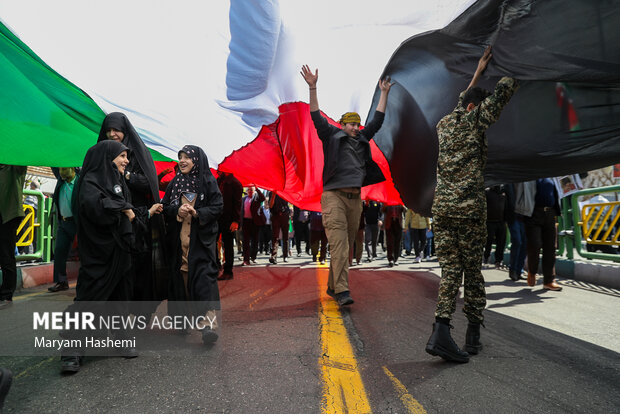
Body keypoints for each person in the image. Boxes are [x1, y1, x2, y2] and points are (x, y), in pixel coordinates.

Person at [425, 47, 519, 363]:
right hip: (468, 211)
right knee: (472, 271)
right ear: (473, 108)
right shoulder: (474, 119)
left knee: (450, 270)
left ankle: (441, 330)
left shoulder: (444, 124)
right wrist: (519, 64)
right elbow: (502, 94)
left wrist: (479, 69)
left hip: (443, 210)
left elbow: (462, 100)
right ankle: (473, 332)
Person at [61, 140, 160, 372]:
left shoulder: (118, 182)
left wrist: (135, 211)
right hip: (98, 254)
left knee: (120, 299)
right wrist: (122, 209)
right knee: (89, 300)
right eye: (122, 156)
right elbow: (94, 209)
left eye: (127, 156)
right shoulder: (90, 181)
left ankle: (120, 339)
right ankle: (72, 350)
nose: (126, 161)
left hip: (121, 253)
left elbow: (129, 212)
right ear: (108, 157)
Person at [301, 64, 392, 306]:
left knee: (346, 248)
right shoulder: (331, 135)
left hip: (355, 200)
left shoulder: (363, 139)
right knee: (340, 246)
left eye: (357, 124)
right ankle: (342, 291)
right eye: (350, 123)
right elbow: (315, 116)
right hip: (334, 197)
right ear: (342, 125)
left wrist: (384, 93)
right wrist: (313, 87)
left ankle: (333, 287)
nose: (355, 127)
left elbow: (377, 121)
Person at [162, 145, 223, 344]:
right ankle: (183, 321)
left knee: (204, 280)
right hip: (179, 238)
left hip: (201, 240)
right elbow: (165, 207)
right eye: (180, 157)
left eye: (187, 157)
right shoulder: (174, 182)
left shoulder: (208, 181)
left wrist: (198, 213)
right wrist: (176, 211)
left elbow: (217, 206)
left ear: (197, 160)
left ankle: (208, 325)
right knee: (183, 280)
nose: (182, 160)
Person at [515, 179, 563, 291]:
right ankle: (532, 271)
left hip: (550, 213)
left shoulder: (553, 176)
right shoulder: (529, 174)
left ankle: (549, 281)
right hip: (533, 213)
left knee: (551, 248)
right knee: (535, 245)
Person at [48, 167, 79, 292]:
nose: (60, 172)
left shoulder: (81, 181)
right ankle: (61, 281)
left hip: (77, 224)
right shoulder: (61, 180)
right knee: (59, 251)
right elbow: (54, 164)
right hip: (63, 223)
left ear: (73, 169)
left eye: (64, 169)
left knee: (85, 253)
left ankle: (85, 282)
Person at [0, 164, 27, 309]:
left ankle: (6, 295)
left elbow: (22, 157)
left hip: (9, 215)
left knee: (6, 254)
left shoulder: (13, 166)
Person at [216, 171, 243, 280]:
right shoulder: (218, 180)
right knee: (212, 242)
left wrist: (236, 221)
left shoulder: (235, 183)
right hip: (217, 218)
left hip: (229, 220)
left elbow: (238, 204)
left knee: (228, 245)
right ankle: (216, 265)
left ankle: (228, 271)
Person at [505, 183, 527, 281]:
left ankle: (519, 270)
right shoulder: (508, 182)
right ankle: (512, 269)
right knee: (517, 241)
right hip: (512, 216)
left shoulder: (528, 182)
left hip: (525, 216)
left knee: (525, 243)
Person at [483, 185, 508, 268]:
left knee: (501, 242)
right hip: (489, 221)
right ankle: (486, 257)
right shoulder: (487, 192)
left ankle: (498, 260)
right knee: (489, 240)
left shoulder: (504, 193)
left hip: (501, 221)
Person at [241, 186, 265, 265]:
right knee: (246, 241)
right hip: (245, 222)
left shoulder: (257, 198)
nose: (250, 191)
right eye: (249, 190)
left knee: (255, 241)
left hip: (255, 222)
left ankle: (253, 257)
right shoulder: (244, 199)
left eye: (252, 190)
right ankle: (246, 259)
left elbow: (263, 198)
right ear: (247, 191)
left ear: (254, 191)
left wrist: (257, 189)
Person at [269, 193, 290, 264]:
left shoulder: (284, 191)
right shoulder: (271, 193)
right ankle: (274, 256)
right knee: (275, 237)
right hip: (275, 216)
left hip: (284, 215)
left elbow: (289, 201)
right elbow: (270, 205)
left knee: (285, 237)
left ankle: (285, 255)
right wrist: (273, 196)